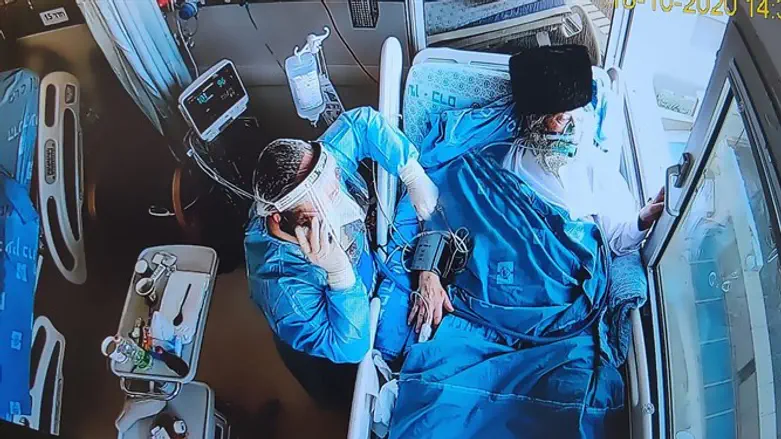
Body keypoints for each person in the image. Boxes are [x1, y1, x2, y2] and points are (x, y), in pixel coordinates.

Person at [408, 44, 665, 333]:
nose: (568, 128)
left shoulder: (594, 167)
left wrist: (642, 219)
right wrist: (428, 272)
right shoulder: (495, 161)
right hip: (490, 297)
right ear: (532, 120)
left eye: (573, 117)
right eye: (558, 118)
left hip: (562, 308)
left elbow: (616, 241)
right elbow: (439, 216)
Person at [245, 107, 438, 408]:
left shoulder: (315, 171)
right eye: (326, 207)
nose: (346, 210)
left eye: (336, 191)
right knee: (341, 394)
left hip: (366, 284)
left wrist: (411, 173)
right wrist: (340, 276)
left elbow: (361, 123)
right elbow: (351, 346)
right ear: (281, 220)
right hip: (330, 349)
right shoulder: (284, 290)